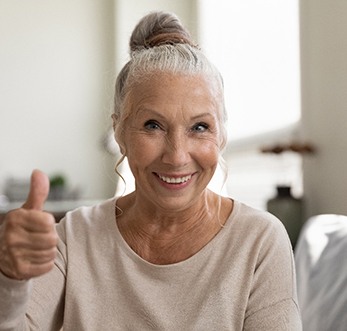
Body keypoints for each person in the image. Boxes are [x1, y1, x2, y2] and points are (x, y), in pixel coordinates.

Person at [0, 11, 302, 330]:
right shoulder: (74, 238)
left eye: (199, 127)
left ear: (222, 134)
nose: (176, 156)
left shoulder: (259, 242)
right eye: (153, 125)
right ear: (119, 132)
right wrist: (10, 280)